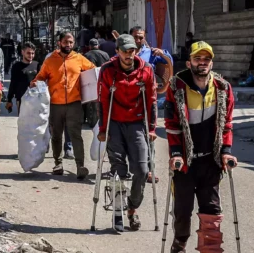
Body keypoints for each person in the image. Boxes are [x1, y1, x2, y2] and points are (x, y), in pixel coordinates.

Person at [165, 41, 237, 253]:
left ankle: (210, 249)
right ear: (189, 62)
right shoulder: (176, 86)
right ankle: (179, 244)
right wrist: (176, 154)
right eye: (198, 59)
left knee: (212, 211)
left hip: (210, 161)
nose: (202, 63)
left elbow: (227, 124)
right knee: (183, 212)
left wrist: (226, 151)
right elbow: (172, 125)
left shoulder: (222, 88)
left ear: (211, 63)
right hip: (186, 162)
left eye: (206, 59)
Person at [96, 34, 157, 231]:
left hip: (138, 123)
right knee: (119, 170)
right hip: (115, 123)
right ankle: (118, 210)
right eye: (125, 51)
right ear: (117, 51)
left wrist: (153, 128)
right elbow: (103, 102)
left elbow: (152, 100)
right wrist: (103, 129)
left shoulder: (146, 70)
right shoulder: (107, 71)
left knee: (141, 170)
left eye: (132, 51)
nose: (129, 55)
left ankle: (132, 207)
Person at [32, 32, 95, 179]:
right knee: (56, 135)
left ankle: (80, 166)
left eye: (71, 42)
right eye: (66, 42)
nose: (69, 45)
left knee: (76, 135)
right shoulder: (50, 60)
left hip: (74, 104)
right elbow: (41, 76)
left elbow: (93, 70)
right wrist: (35, 82)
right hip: (55, 104)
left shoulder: (79, 58)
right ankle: (58, 163)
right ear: (59, 42)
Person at [131, 25, 171, 183]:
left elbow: (168, 62)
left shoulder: (151, 53)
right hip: (128, 101)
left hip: (148, 99)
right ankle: (133, 168)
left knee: (150, 134)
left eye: (141, 37)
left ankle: (149, 170)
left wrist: (163, 53)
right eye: (135, 37)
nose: (138, 40)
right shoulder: (123, 53)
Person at [6, 42, 39, 114]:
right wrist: (9, 100)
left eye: (33, 53)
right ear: (22, 52)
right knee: (23, 123)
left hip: (36, 98)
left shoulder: (37, 65)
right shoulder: (16, 66)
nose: (31, 55)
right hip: (21, 99)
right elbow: (13, 83)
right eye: (28, 53)